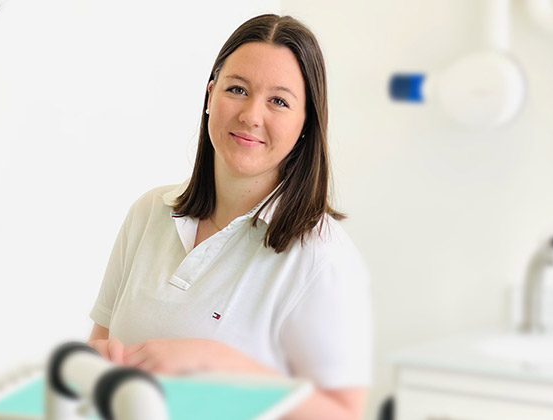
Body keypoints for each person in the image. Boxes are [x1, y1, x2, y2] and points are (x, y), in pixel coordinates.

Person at [87, 13, 371, 420]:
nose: (251, 115)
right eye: (237, 89)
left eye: (279, 101)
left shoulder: (321, 257)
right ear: (210, 96)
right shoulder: (149, 213)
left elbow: (344, 415)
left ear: (305, 123)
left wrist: (221, 364)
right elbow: (98, 347)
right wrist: (96, 365)